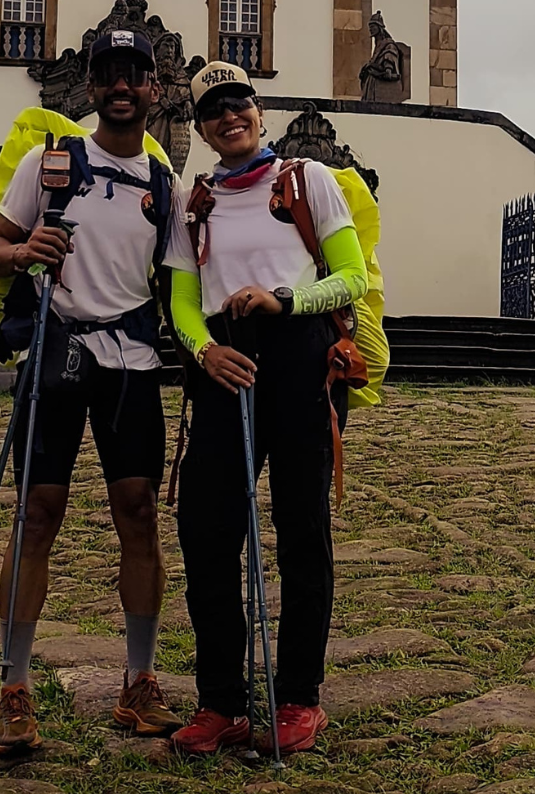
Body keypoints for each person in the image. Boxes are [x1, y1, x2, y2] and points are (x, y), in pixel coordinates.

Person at [0, 29, 192, 757]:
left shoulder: (166, 186)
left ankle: (140, 681)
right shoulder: (48, 162)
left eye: (134, 73)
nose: (122, 85)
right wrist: (21, 251)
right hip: (57, 352)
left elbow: (179, 284)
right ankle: (14, 686)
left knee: (139, 514)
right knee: (37, 515)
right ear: (92, 87)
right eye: (109, 75)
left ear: (154, 88)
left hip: (132, 361)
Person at [164, 62, 369, 756]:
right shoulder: (194, 202)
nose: (230, 117)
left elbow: (351, 277)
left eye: (240, 103)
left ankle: (300, 697)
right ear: (201, 127)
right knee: (207, 532)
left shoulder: (307, 180)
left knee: (302, 530)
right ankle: (221, 701)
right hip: (223, 364)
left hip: (300, 358)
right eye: (214, 110)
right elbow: (182, 300)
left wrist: (286, 301)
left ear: (259, 111)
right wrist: (202, 351)